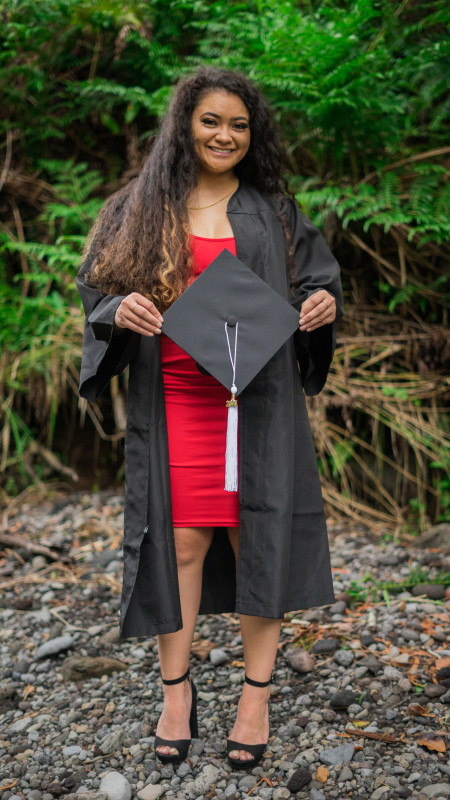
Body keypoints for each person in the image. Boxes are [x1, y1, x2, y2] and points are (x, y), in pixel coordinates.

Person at [76, 66, 343, 770]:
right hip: (175, 398)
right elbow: (99, 292)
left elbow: (319, 284)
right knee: (181, 542)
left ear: (251, 135)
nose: (224, 134)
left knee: (258, 536)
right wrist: (117, 311)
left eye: (238, 124)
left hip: (257, 399)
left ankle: (255, 699)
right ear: (184, 126)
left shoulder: (275, 212)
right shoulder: (136, 209)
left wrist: (322, 308)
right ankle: (176, 691)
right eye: (210, 121)